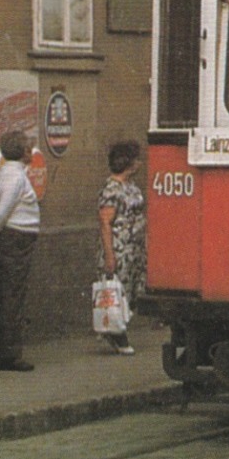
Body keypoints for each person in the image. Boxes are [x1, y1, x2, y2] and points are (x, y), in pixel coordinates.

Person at [0, 129, 41, 372]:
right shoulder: (16, 178)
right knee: (13, 295)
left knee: (2, 293)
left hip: (9, 237)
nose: (32, 152)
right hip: (16, 237)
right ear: (23, 151)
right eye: (29, 148)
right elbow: (3, 208)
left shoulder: (3, 173)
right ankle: (10, 354)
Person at [96, 140, 146, 355]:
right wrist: (110, 255)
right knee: (118, 291)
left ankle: (116, 330)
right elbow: (105, 222)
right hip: (120, 247)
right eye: (136, 159)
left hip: (135, 248)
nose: (140, 163)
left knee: (131, 291)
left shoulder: (131, 187)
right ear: (128, 162)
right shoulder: (111, 189)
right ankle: (116, 335)